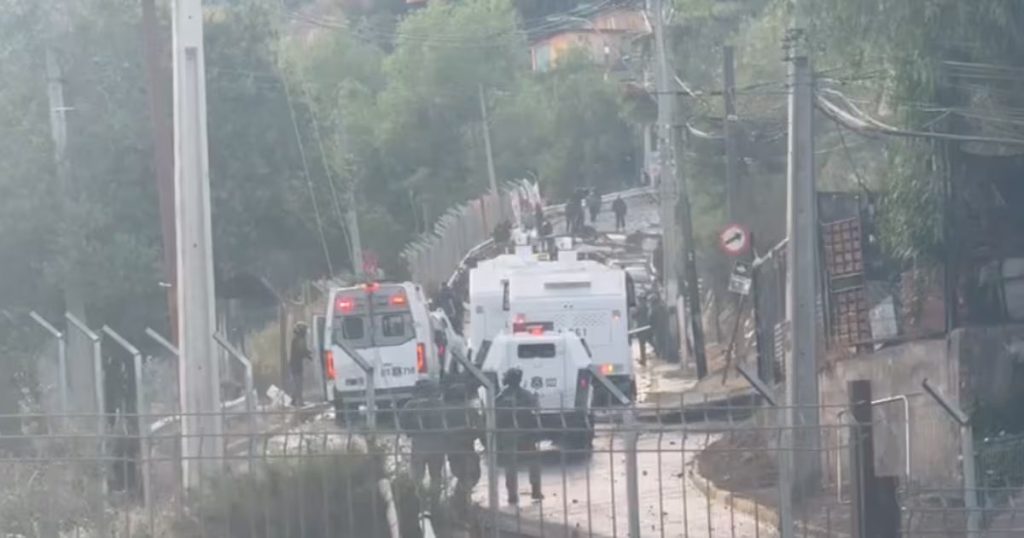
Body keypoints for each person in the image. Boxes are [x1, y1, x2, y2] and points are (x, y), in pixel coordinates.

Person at [495, 368, 542, 505]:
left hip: (507, 434)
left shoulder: (501, 396)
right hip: (525, 432)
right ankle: (536, 490)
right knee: (534, 461)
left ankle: (512, 495)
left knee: (511, 466)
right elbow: (537, 409)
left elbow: (494, 414)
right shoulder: (526, 395)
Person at [399, 380, 447, 499]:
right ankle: (436, 502)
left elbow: (402, 421)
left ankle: (418, 500)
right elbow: (447, 422)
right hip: (438, 445)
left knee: (416, 476)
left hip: (419, 444)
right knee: (436, 475)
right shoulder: (440, 404)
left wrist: (410, 433)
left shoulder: (411, 404)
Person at [443, 383, 482, 510]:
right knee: (472, 475)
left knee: (462, 474)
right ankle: (461, 501)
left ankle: (461, 500)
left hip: (452, 449)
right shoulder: (469, 410)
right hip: (467, 447)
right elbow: (480, 428)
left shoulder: (444, 411)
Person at [289, 322, 312, 407]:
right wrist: (309, 355)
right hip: (296, 365)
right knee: (298, 384)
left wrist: (308, 354)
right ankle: (298, 401)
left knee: (297, 383)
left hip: (296, 364)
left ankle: (295, 400)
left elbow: (303, 350)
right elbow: (301, 351)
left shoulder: (297, 339)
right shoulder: (298, 339)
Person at [634, 295, 651, 366]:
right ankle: (643, 360)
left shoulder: (640, 307)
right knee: (647, 342)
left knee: (642, 344)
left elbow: (634, 315)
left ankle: (643, 360)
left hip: (641, 327)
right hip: (646, 326)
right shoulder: (647, 306)